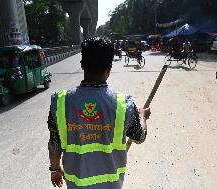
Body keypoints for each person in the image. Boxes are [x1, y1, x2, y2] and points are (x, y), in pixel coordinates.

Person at [47, 37, 151, 189]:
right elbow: (139, 137)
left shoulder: (60, 102)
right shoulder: (123, 104)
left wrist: (55, 169)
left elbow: (54, 144)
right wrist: (142, 115)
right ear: (109, 68)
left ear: (82, 66)